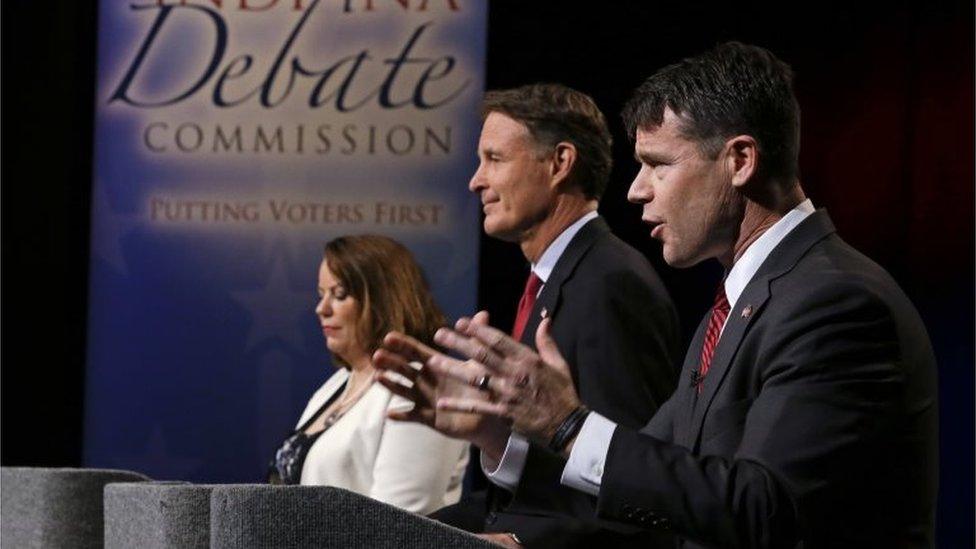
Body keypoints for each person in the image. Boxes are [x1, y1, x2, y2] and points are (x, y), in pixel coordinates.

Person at [376, 43, 938, 548]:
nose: (635, 189)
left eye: (658, 165)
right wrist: (506, 430)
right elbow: (653, 482)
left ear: (740, 161)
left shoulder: (835, 302)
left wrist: (566, 422)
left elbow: (768, 510)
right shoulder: (742, 301)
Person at [379, 84, 680, 547]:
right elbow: (564, 467)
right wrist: (494, 437)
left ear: (559, 163)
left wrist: (522, 540)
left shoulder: (609, 283)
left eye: (494, 160)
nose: (476, 181)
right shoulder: (556, 278)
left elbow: (633, 480)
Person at [268, 234, 469, 515]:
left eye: (339, 295)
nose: (321, 309)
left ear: (382, 299)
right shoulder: (338, 383)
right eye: (320, 294)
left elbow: (396, 523)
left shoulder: (419, 387)